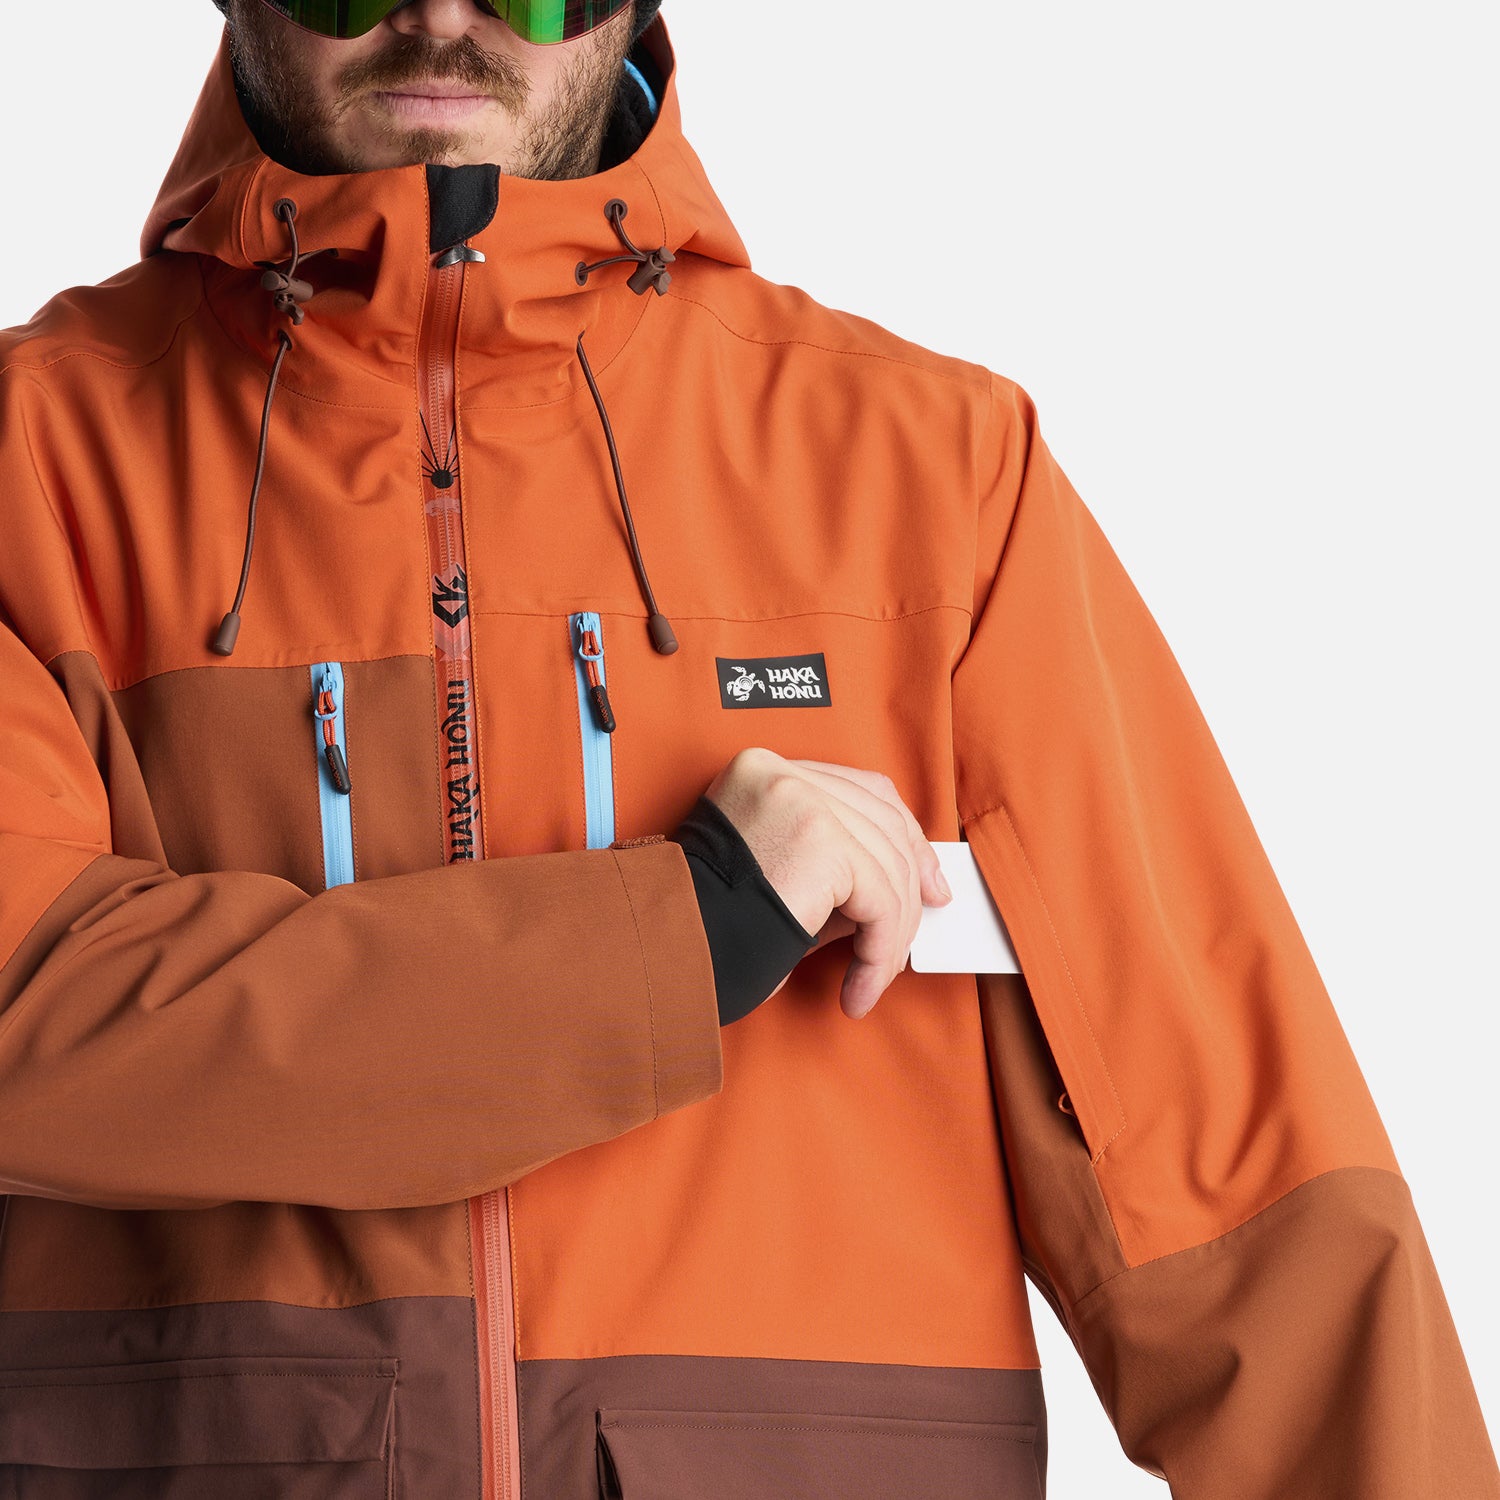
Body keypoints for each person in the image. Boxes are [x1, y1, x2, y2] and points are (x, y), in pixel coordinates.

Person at [0, 1, 1492, 1495]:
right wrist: (686, 933)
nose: (445, 12)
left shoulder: (931, 480)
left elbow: (1240, 1202)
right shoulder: (30, 462)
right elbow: (27, 1019)